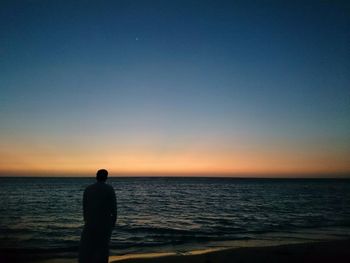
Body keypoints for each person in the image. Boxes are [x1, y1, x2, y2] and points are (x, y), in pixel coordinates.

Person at [78, 169, 117, 263]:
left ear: (96, 176)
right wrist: (113, 223)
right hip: (105, 223)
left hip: (90, 223)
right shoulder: (109, 189)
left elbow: (85, 206)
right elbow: (114, 208)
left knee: (88, 247)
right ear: (106, 177)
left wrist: (86, 220)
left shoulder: (88, 189)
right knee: (103, 247)